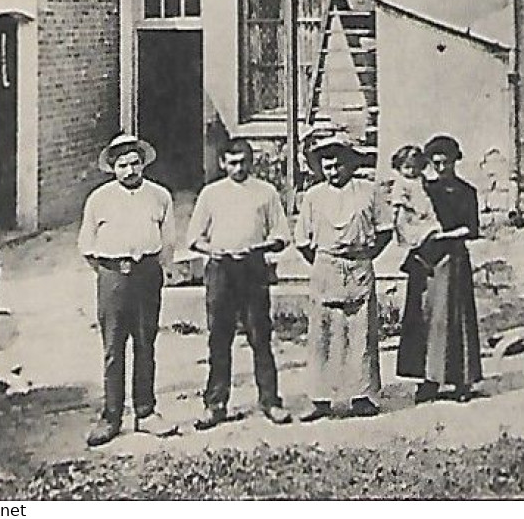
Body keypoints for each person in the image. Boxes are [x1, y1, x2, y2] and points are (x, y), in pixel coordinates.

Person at [185, 137, 294, 430]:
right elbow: (194, 237)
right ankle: (215, 404)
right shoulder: (211, 194)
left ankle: (270, 401)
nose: (239, 168)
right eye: (232, 162)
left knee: (260, 337)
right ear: (222, 163)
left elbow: (281, 235)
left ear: (251, 161)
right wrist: (213, 249)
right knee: (219, 339)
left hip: (253, 269)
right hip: (221, 271)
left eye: (244, 162)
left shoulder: (266, 193)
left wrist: (260, 247)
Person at [78, 133, 176, 446]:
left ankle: (146, 413)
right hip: (113, 277)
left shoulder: (159, 196)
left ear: (143, 163)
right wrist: (112, 273)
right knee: (113, 348)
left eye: (135, 163)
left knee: (146, 343)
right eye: (122, 165)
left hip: (147, 274)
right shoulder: (99, 199)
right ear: (112, 168)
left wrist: (150, 269)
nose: (130, 170)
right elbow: (87, 246)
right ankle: (111, 416)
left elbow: (168, 241)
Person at [295, 129, 392, 420]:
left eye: (338, 163)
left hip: (359, 267)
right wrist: (327, 259)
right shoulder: (313, 196)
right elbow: (303, 241)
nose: (333, 170)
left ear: (350, 164)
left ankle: (362, 395)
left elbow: (385, 230)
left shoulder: (368, 191)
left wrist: (363, 256)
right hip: (326, 267)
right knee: (323, 334)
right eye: (327, 164)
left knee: (360, 332)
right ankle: (321, 399)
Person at [396, 134, 483, 402]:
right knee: (426, 318)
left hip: (454, 259)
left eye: (446, 162)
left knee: (456, 319)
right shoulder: (425, 190)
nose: (441, 168)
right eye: (436, 163)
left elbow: (471, 229)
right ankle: (429, 379)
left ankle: (461, 381)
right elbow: (409, 217)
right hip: (427, 260)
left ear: (456, 161)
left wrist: (445, 236)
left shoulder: (467, 192)